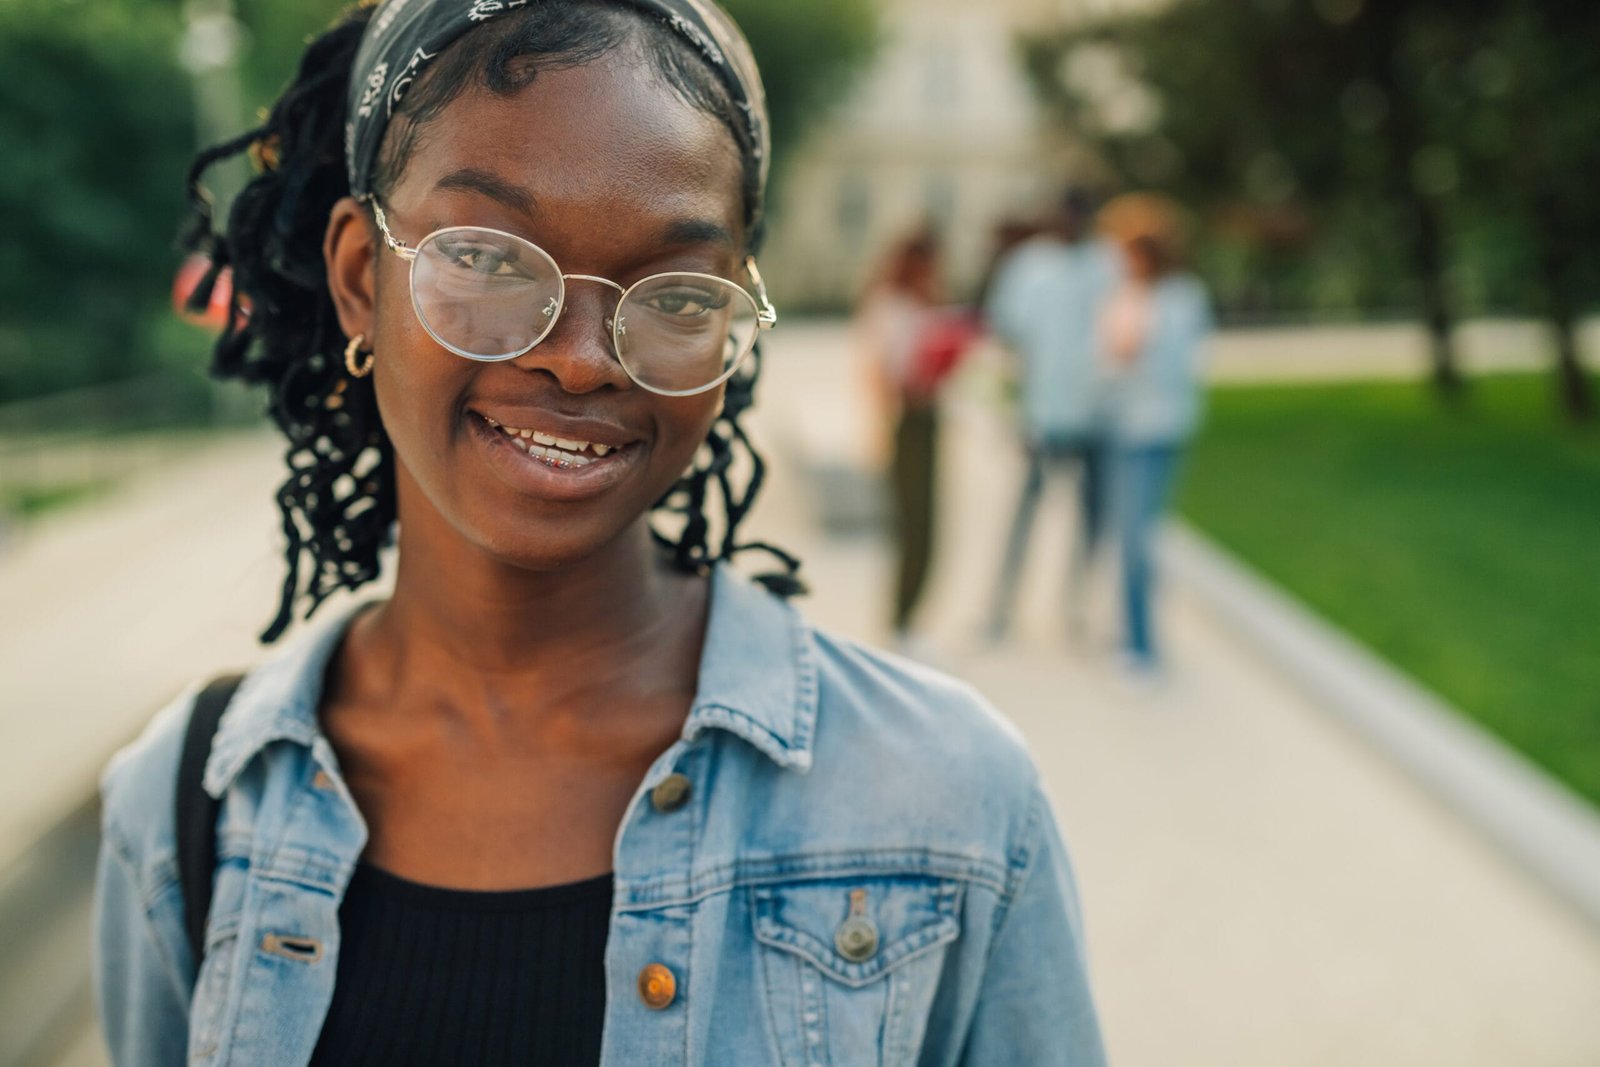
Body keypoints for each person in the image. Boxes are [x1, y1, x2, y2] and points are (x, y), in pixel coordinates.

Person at [91, 2, 1107, 1064]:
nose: (579, 359)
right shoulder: (186, 810)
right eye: (488, 259)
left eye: (674, 289)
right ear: (360, 277)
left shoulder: (946, 798)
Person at [981, 191, 1120, 642]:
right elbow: (1010, 336)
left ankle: (1076, 610)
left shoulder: (1108, 265)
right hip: (1042, 412)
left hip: (1095, 415)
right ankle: (1001, 611)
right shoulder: (1030, 266)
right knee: (1023, 515)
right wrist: (1017, 406)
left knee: (1089, 521)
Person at [1098, 193, 1213, 677]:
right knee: (1128, 536)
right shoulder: (1126, 296)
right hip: (1125, 427)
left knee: (1136, 539)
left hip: (1155, 429)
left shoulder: (1178, 299)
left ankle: (1140, 643)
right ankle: (1130, 630)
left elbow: (1173, 364)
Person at [854, 229, 958, 651]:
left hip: (928, 417)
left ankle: (911, 618)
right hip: (906, 419)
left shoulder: (924, 304)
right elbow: (879, 372)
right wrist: (879, 430)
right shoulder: (890, 306)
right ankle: (900, 622)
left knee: (930, 525)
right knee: (914, 526)